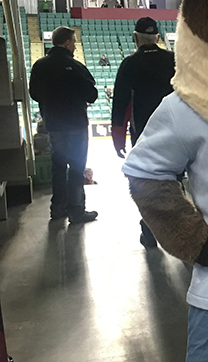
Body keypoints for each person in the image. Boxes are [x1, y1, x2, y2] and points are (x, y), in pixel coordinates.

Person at [111, 16, 175, 247]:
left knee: (147, 184)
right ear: (158, 37)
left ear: (135, 38)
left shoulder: (129, 65)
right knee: (175, 181)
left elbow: (120, 104)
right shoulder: (174, 60)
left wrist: (118, 139)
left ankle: (149, 233)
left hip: (144, 136)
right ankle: (179, 232)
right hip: (176, 133)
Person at [29, 26, 98, 223]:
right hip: (75, 124)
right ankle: (76, 210)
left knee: (58, 167)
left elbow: (34, 94)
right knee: (76, 167)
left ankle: (57, 208)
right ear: (67, 43)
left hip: (53, 124)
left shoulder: (39, 66)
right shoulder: (75, 67)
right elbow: (91, 95)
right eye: (74, 42)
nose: (75, 46)